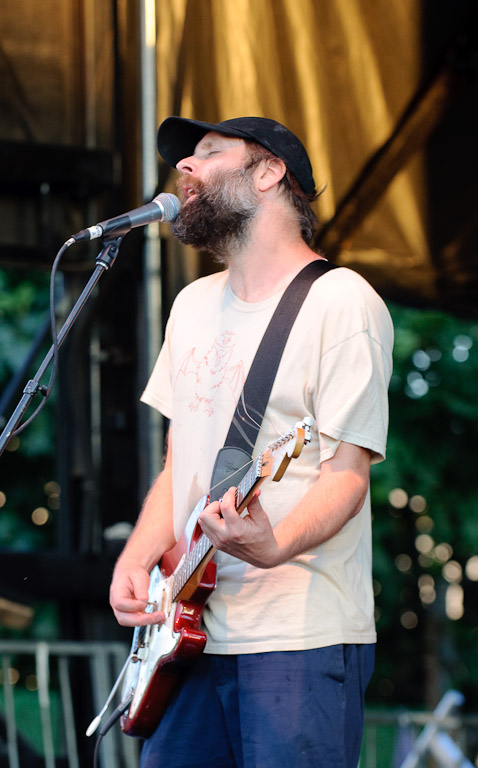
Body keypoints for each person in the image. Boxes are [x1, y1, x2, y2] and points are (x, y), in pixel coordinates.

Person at [109, 116, 394, 768]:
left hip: (298, 635)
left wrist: (275, 542)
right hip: (188, 633)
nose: (185, 167)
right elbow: (183, 460)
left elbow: (346, 474)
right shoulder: (191, 305)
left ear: (269, 172)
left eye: (208, 153)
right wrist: (138, 556)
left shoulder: (341, 302)